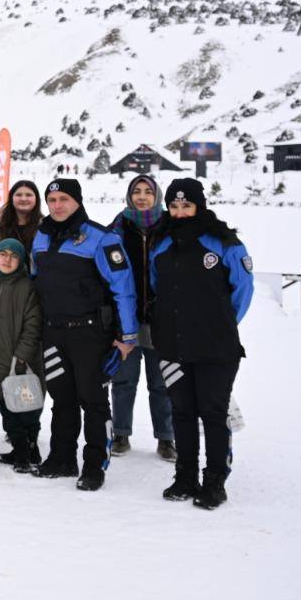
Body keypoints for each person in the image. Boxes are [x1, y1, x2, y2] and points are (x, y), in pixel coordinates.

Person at [149, 178, 253, 510]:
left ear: (200, 206)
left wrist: (220, 323)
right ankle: (185, 477)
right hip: (172, 345)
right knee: (181, 412)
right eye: (174, 206)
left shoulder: (224, 242)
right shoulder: (161, 243)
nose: (179, 212)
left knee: (212, 413)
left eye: (186, 206)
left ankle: (214, 482)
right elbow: (156, 287)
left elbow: (242, 290)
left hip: (215, 346)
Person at [30, 178, 139, 492]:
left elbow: (123, 289)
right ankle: (62, 457)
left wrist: (128, 337)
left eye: (64, 199)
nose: (57, 205)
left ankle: (94, 466)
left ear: (77, 201)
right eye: (52, 200)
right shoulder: (41, 236)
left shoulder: (102, 238)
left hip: (90, 334)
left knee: (92, 401)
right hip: (53, 332)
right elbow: (37, 279)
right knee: (61, 399)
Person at [108, 175, 176, 460]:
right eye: (136, 191)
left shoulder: (170, 227)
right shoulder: (118, 227)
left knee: (162, 384)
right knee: (124, 381)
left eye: (148, 191)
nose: (142, 196)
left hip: (162, 320)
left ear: (157, 196)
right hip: (128, 320)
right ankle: (121, 433)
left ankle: (165, 438)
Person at [0, 238, 43, 473]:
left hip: (20, 358)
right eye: (3, 255)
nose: (7, 260)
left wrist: (22, 355)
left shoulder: (26, 287)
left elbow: (33, 324)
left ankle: (26, 453)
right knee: (7, 407)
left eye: (13, 256)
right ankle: (23, 449)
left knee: (26, 407)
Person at [0, 179, 42, 255]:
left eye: (29, 195)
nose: (23, 199)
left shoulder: (46, 227)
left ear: (36, 199)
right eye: (18, 195)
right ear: (11, 198)